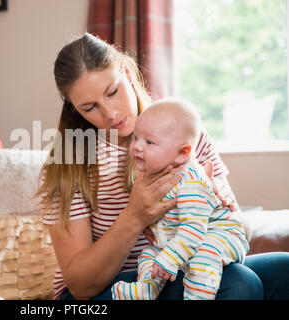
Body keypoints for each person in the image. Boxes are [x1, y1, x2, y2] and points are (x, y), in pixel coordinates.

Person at [37, 32, 289, 300]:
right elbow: (80, 285)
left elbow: (241, 232)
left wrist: (217, 203)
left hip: (180, 269)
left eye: (112, 92)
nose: (110, 113)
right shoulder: (68, 162)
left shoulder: (181, 131)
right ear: (75, 109)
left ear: (126, 72)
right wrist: (135, 215)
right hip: (104, 290)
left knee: (284, 269)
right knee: (239, 283)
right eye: (90, 107)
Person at [111, 98, 249, 300]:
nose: (137, 147)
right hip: (181, 242)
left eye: (149, 142)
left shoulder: (192, 182)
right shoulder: (153, 172)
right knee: (148, 255)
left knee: (203, 259)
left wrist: (170, 258)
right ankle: (146, 288)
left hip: (219, 236)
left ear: (182, 153)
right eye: (136, 137)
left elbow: (193, 230)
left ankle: (197, 297)